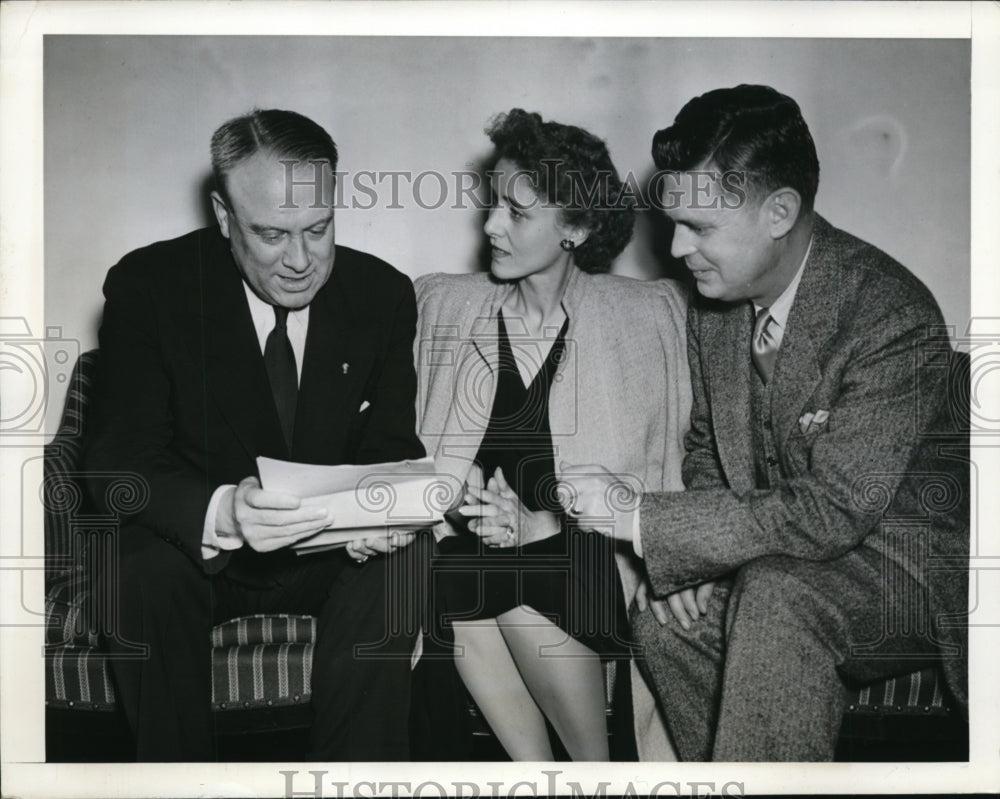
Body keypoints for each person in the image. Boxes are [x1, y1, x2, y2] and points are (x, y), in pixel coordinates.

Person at [560, 84, 969, 761]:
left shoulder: (889, 314)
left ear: (780, 211)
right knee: (665, 618)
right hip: (785, 559)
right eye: (672, 222)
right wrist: (689, 562)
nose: (677, 247)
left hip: (904, 570)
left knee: (777, 595)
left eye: (700, 227)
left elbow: (835, 510)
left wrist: (643, 519)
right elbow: (706, 453)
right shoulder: (716, 307)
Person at [85, 109, 426, 761]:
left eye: (318, 229)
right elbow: (113, 464)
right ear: (222, 215)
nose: (300, 260)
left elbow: (390, 448)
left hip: (332, 556)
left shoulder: (381, 293)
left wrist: (380, 513)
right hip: (199, 554)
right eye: (272, 234)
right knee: (131, 564)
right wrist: (223, 512)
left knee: (406, 563)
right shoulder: (150, 286)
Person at [413, 109, 691, 760]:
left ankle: (593, 766)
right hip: (487, 560)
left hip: (597, 560)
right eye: (492, 207)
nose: (490, 227)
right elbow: (437, 469)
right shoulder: (454, 308)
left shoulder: (644, 318)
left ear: (576, 226)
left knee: (513, 564)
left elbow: (662, 474)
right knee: (461, 567)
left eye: (517, 212)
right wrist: (468, 505)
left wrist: (538, 524)